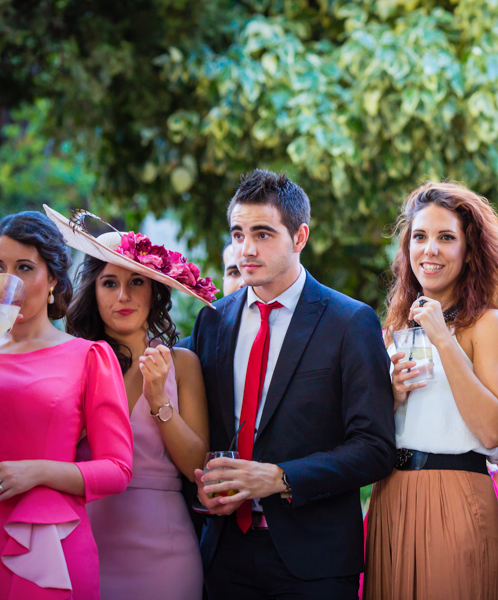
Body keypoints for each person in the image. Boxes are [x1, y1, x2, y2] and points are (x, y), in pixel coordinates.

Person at [188, 169, 396, 599]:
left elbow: (375, 448)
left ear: (299, 237)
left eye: (263, 234)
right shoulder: (212, 320)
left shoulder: (349, 321)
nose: (246, 248)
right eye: (238, 233)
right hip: (223, 553)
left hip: (313, 562)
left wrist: (281, 477)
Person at [46, 205, 214, 600]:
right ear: (93, 292)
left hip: (165, 554)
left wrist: (160, 401)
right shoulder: (70, 363)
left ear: (154, 291)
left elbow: (197, 468)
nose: (123, 296)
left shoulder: (183, 364)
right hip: (83, 540)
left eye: (136, 281)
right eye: (109, 283)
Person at [364, 181, 498, 600]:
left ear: (470, 251)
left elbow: (493, 432)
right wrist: (393, 396)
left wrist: (445, 340)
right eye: (420, 237)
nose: (429, 249)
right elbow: (370, 434)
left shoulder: (490, 325)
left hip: (455, 493)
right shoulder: (392, 331)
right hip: (390, 496)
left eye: (446, 238)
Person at [0, 211, 133, 600]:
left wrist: (35, 472)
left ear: (53, 279)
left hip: (47, 542)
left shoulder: (88, 356)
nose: (9, 281)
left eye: (24, 267)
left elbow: (117, 470)